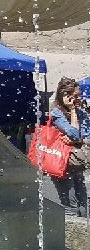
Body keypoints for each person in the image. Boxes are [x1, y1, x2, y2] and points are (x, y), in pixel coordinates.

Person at [49, 77, 89, 217]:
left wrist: (78, 141)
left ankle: (83, 235)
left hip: (76, 162)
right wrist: (72, 111)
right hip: (61, 163)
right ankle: (68, 237)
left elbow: (83, 138)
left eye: (78, 95)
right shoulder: (56, 113)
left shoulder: (82, 114)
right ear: (63, 96)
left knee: (83, 203)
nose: (77, 99)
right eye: (73, 95)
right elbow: (73, 133)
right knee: (70, 205)